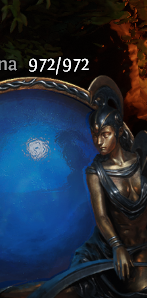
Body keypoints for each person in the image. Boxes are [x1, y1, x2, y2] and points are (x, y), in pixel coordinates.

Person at [76, 76, 147, 297]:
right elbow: (102, 216)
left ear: (118, 131)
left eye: (105, 134)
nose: (99, 142)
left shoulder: (141, 160)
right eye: (95, 135)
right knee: (72, 289)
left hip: (144, 248)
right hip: (113, 251)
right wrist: (117, 246)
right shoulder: (95, 172)